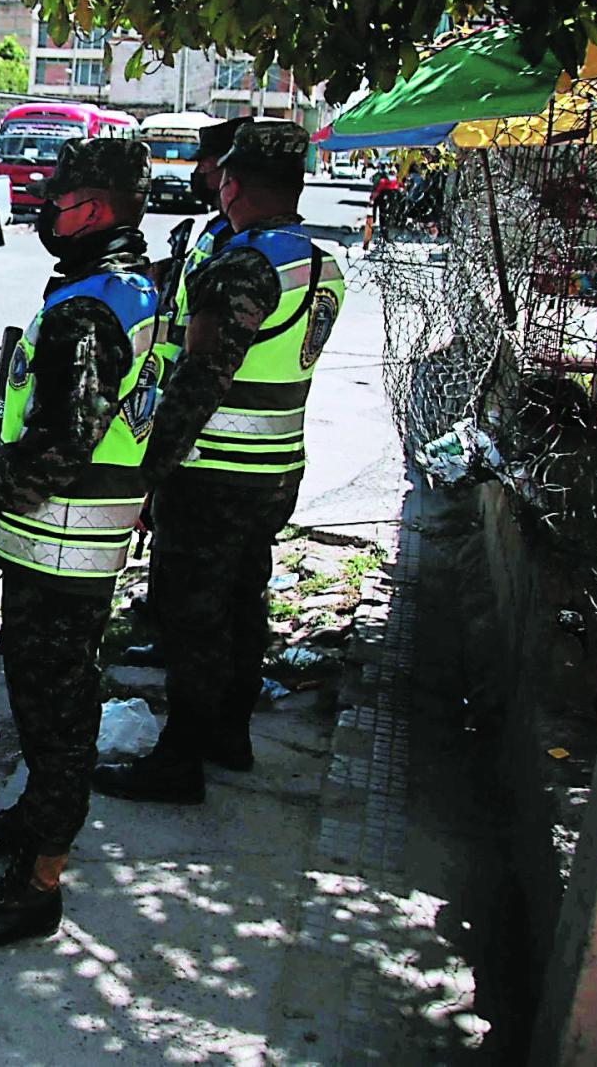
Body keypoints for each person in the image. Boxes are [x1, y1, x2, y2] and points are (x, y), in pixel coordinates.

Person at [0, 137, 158, 948]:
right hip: (75, 546)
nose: (43, 212)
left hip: (62, 548)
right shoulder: (132, 287)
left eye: (56, 201)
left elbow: (63, 446)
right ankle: (34, 816)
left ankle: (37, 884)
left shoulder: (88, 309)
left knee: (56, 718)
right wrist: (1, 426)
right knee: (49, 707)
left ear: (91, 209)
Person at [93, 120, 345, 804]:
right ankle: (229, 735)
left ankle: (180, 762)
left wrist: (146, 474)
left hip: (214, 471)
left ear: (231, 185)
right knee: (243, 601)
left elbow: (200, 379)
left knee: (193, 616)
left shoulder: (242, 267)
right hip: (276, 467)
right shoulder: (318, 262)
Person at [122, 114, 241, 667]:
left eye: (206, 163)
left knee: (206, 571)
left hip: (212, 439)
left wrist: (157, 458)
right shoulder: (214, 231)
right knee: (172, 541)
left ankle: (190, 669)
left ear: (228, 173)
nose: (197, 173)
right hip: (181, 412)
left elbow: (207, 358)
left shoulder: (240, 250)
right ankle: (167, 629)